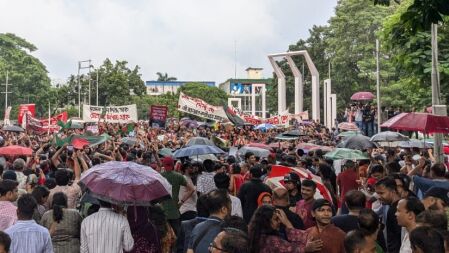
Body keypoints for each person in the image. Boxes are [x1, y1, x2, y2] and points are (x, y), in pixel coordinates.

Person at [160, 156, 194, 236]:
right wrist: (181, 202)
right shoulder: (178, 176)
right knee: (178, 235)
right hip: (175, 210)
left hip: (162, 211)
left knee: (164, 235)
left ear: (163, 165)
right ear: (173, 164)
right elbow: (192, 189)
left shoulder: (159, 176)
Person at [375, 177, 402, 253]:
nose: (379, 197)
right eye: (378, 194)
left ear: (393, 191)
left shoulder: (395, 210)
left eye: (382, 193)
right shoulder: (392, 208)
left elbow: (399, 237)